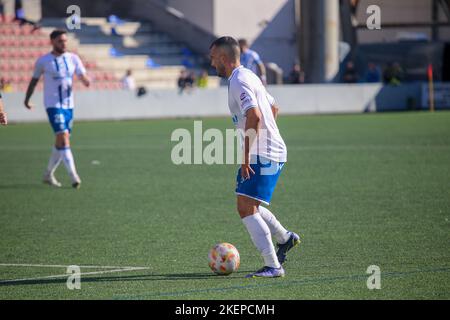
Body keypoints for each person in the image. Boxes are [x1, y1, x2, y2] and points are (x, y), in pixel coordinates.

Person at [209, 36, 300, 278]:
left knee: (245, 207)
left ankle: (273, 266)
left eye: (213, 58)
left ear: (224, 59)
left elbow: (256, 116)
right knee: (251, 204)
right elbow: (274, 107)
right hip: (271, 149)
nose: (211, 64)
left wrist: (247, 155)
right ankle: (285, 238)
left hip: (263, 153)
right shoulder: (248, 75)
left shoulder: (238, 80)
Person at [24, 29, 90, 188]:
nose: (63, 43)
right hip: (53, 105)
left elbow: (83, 75)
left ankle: (47, 174)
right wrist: (27, 100)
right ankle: (74, 176)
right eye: (60, 41)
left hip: (69, 106)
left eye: (65, 41)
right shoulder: (43, 61)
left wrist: (85, 80)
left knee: (61, 142)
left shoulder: (73, 58)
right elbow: (33, 81)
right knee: (63, 137)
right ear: (52, 42)